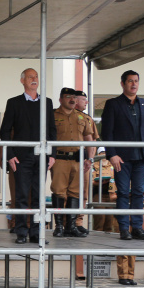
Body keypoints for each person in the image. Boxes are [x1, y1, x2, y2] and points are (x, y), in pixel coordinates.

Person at [100, 69, 144, 241]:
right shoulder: (113, 104)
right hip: (121, 158)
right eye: (130, 81)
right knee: (123, 193)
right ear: (123, 83)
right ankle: (124, 229)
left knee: (139, 192)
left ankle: (137, 228)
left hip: (141, 157)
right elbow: (107, 132)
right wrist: (112, 154)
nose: (134, 84)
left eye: (136, 81)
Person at [0, 68, 55, 244]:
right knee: (22, 195)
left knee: (39, 196)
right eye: (30, 77)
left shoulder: (46, 102)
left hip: (42, 156)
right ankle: (21, 232)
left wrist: (52, 154)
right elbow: (5, 130)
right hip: (21, 157)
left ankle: (37, 233)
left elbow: (52, 130)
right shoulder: (14, 102)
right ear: (22, 80)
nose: (34, 79)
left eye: (36, 76)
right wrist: (10, 155)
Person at [50, 88, 95, 238]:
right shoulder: (52, 115)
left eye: (74, 97)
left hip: (77, 160)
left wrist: (90, 158)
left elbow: (89, 139)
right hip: (60, 159)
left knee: (75, 193)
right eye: (68, 97)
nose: (72, 100)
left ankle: (71, 226)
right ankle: (59, 226)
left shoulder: (82, 117)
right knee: (59, 191)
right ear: (60, 99)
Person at [73, 90, 99, 235]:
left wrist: (90, 159)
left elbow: (93, 140)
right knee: (66, 192)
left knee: (83, 192)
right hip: (68, 159)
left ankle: (78, 221)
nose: (86, 102)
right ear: (76, 100)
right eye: (84, 100)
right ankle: (66, 221)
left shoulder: (88, 118)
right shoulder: (66, 116)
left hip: (84, 161)